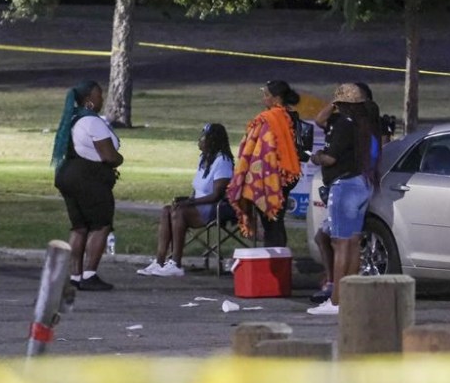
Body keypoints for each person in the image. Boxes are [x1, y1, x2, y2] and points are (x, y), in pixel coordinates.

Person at [307, 83, 380, 316]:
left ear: (342, 105)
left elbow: (329, 158)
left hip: (344, 186)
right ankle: (351, 298)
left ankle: (336, 302)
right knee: (353, 244)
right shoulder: (367, 124)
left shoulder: (342, 125)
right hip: (362, 184)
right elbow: (320, 120)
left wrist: (316, 157)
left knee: (340, 245)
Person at [51, 80, 123, 291]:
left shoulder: (73, 119)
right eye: (99, 95)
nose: (102, 98)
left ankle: (75, 275)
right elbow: (108, 155)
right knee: (101, 225)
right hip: (88, 177)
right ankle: (90, 274)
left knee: (79, 227)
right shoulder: (92, 122)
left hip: (67, 174)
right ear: (89, 100)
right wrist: (120, 160)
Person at [137, 123, 235, 277]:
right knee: (166, 210)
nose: (199, 140)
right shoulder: (204, 159)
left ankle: (176, 263)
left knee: (179, 212)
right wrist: (186, 199)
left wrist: (191, 203)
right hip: (198, 204)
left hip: (215, 206)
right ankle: (159, 261)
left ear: (213, 140)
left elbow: (217, 195)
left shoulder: (222, 161)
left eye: (203, 137)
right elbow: (197, 189)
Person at [227, 80, 302, 247]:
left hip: (270, 175)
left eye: (266, 95)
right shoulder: (293, 117)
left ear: (276, 99)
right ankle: (279, 259)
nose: (263, 99)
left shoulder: (267, 119)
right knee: (276, 219)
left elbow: (258, 148)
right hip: (288, 175)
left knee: (271, 222)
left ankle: (275, 262)